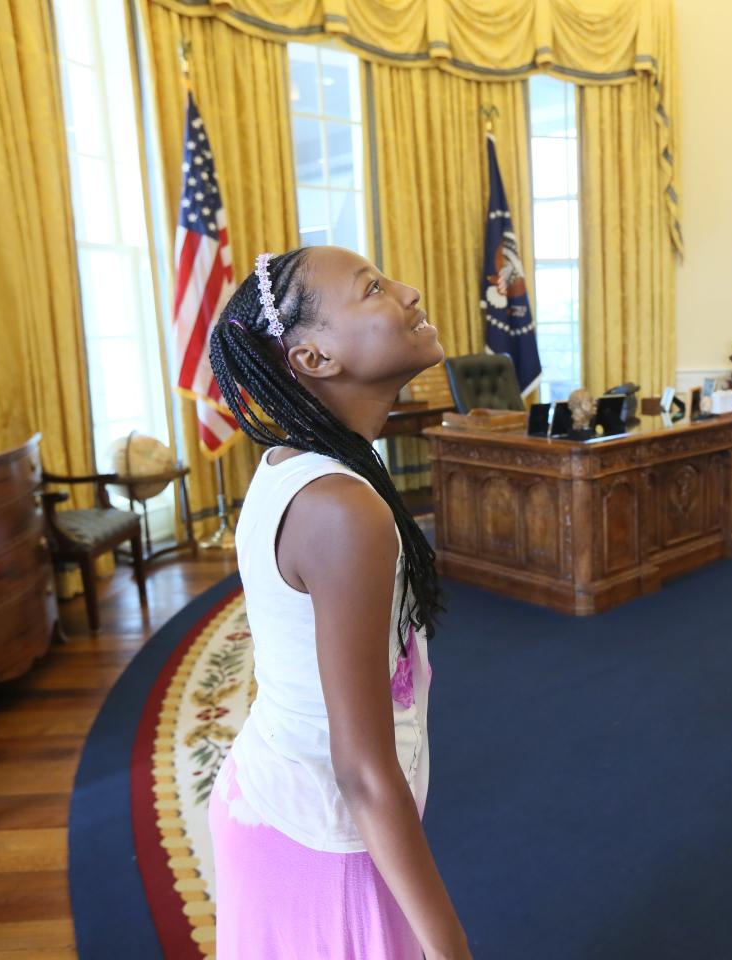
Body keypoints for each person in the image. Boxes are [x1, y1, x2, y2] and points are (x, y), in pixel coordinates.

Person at [206, 246, 467, 960]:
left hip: (291, 807)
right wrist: (448, 945)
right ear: (314, 357)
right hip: (322, 841)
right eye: (374, 289)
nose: (411, 292)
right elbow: (361, 768)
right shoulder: (340, 507)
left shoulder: (313, 464)